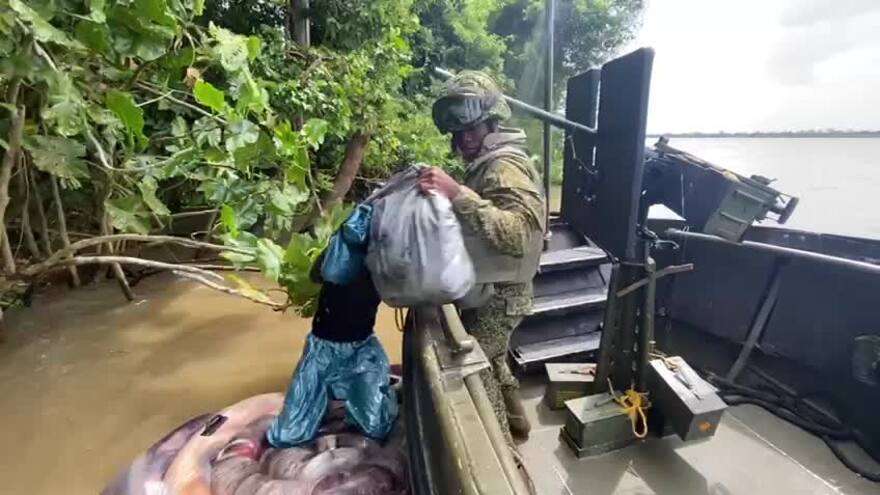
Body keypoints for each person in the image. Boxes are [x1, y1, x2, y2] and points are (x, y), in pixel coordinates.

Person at [419, 71, 546, 441]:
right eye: (459, 133)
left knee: (477, 370)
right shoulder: (488, 164)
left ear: (493, 123)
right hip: (495, 291)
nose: (465, 139)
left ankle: (501, 451)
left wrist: (457, 193)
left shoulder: (505, 166)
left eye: (473, 129)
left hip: (501, 297)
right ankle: (518, 422)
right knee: (494, 358)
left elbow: (520, 234)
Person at [265, 253, 398, 447]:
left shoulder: (386, 257)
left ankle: (358, 396)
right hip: (322, 348)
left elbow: (403, 294)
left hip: (362, 349)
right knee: (287, 435)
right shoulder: (340, 250)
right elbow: (315, 275)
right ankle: (329, 398)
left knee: (375, 427)